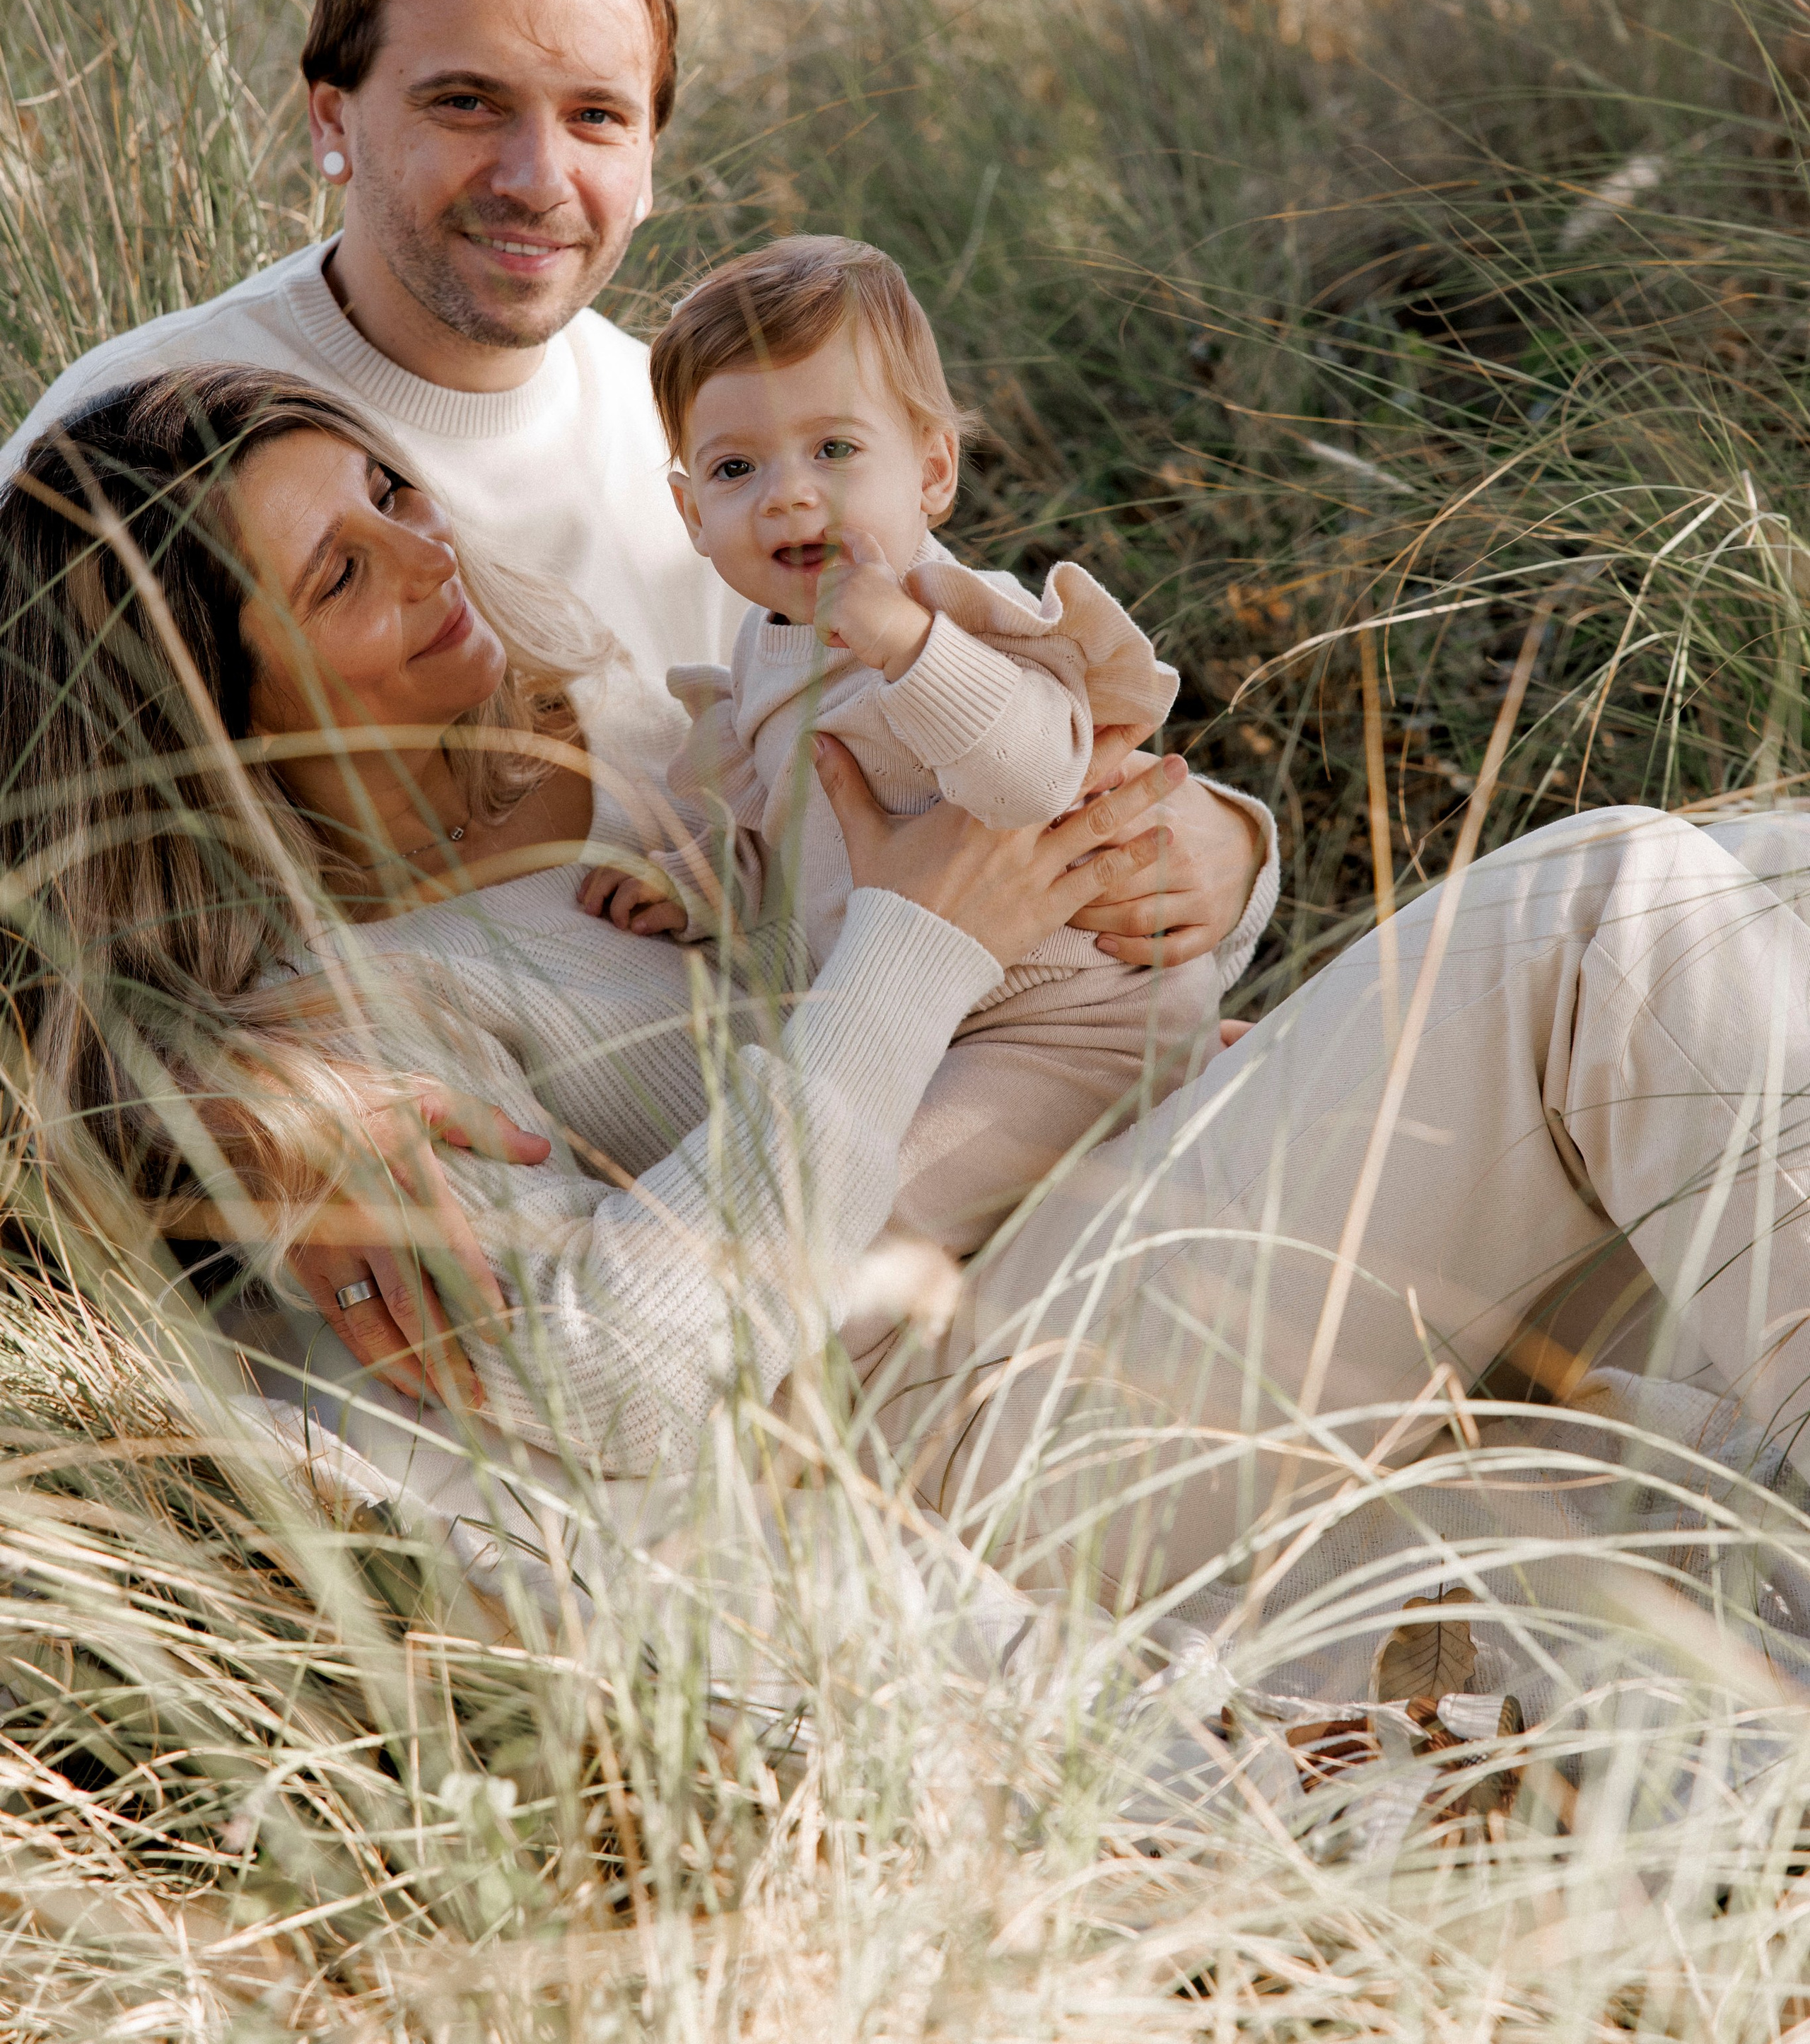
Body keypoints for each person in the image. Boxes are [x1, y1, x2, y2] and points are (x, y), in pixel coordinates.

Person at [8, 367, 1810, 1644]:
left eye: (395, 495)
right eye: (338, 573)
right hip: (953, 1430)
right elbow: (608, 1383)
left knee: (1772, 881)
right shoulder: (332, 1035)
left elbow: (1062, 913)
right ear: (211, 717)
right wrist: (918, 941)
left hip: (1127, 1207)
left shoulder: (650, 754)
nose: (427, 557)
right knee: (1605, 914)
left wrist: (1213, 846)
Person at [0, 0, 1262, 979]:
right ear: (332, 119)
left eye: (596, 116)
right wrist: (255, 1114)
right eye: (467, 102)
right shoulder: (140, 435)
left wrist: (1225, 855)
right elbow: (43, 905)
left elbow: (986, 705)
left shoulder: (716, 443)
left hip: (886, 1079)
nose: (537, 177)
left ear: (650, 165)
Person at [589, 232, 1275, 1256]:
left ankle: (1175, 1104)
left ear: (933, 471)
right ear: (691, 514)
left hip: (1068, 1021)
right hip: (939, 1026)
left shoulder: (960, 616)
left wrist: (911, 646)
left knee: (881, 1225)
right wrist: (696, 881)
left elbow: (1036, 776)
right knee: (857, 1180)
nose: (789, 493)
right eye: (738, 468)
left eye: (834, 450)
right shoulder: (763, 655)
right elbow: (792, 843)